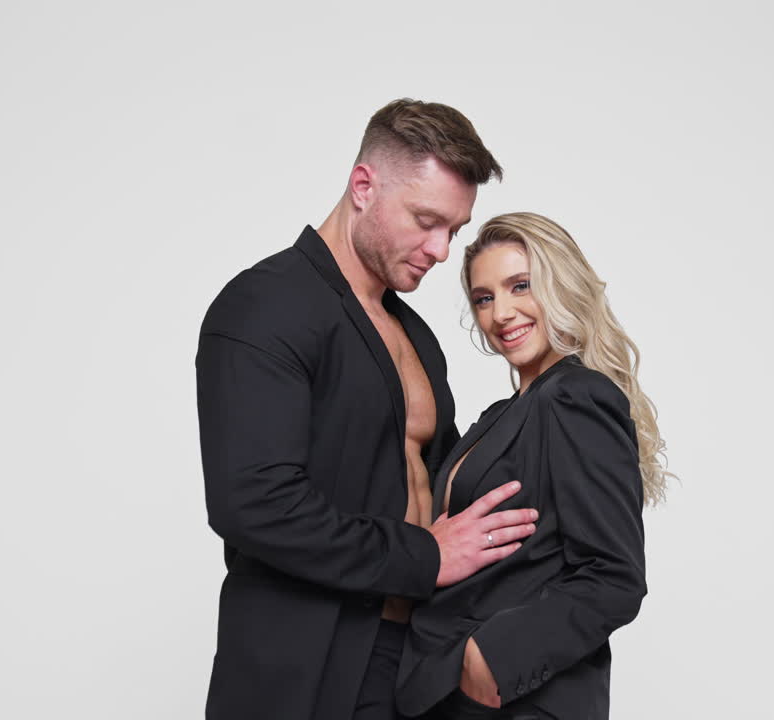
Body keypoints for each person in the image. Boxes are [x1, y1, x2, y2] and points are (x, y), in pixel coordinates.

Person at [195, 100, 540, 720]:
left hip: (412, 662)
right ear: (363, 187)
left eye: (455, 229)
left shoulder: (413, 335)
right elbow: (252, 504)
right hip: (302, 670)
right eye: (426, 220)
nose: (440, 250)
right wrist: (426, 557)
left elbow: (447, 488)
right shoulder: (263, 306)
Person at [397, 213, 672, 720]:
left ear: (559, 285)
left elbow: (615, 576)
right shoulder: (501, 415)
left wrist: (491, 659)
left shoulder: (576, 396)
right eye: (484, 298)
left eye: (520, 286)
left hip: (518, 700)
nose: (502, 312)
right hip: (444, 688)